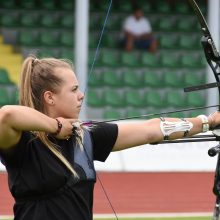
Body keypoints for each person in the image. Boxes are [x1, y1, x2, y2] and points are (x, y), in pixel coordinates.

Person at [0, 55, 219, 220]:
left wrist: (208, 121)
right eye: (74, 89)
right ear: (50, 97)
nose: (81, 94)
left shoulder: (85, 136)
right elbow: (6, 115)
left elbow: (152, 129)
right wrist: (55, 126)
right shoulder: (23, 143)